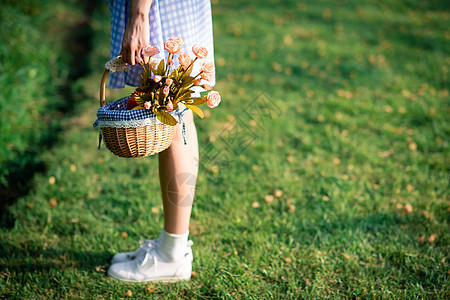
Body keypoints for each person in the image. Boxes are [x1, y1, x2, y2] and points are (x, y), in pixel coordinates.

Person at [106, 0, 215, 282]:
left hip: (159, 8)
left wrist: (139, 15)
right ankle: (171, 245)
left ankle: (172, 255)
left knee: (173, 114)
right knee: (173, 112)